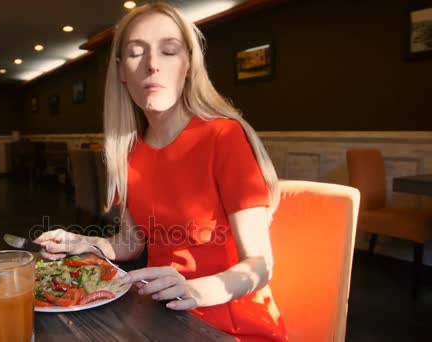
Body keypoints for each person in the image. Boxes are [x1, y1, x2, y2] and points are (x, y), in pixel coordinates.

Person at [34, 2, 288, 341]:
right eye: (137, 53)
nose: (153, 65)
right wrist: (81, 243)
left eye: (169, 51)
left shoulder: (223, 136)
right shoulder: (129, 152)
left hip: (233, 325)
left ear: (188, 65)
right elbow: (129, 244)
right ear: (122, 70)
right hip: (164, 319)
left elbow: (260, 265)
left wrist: (195, 291)